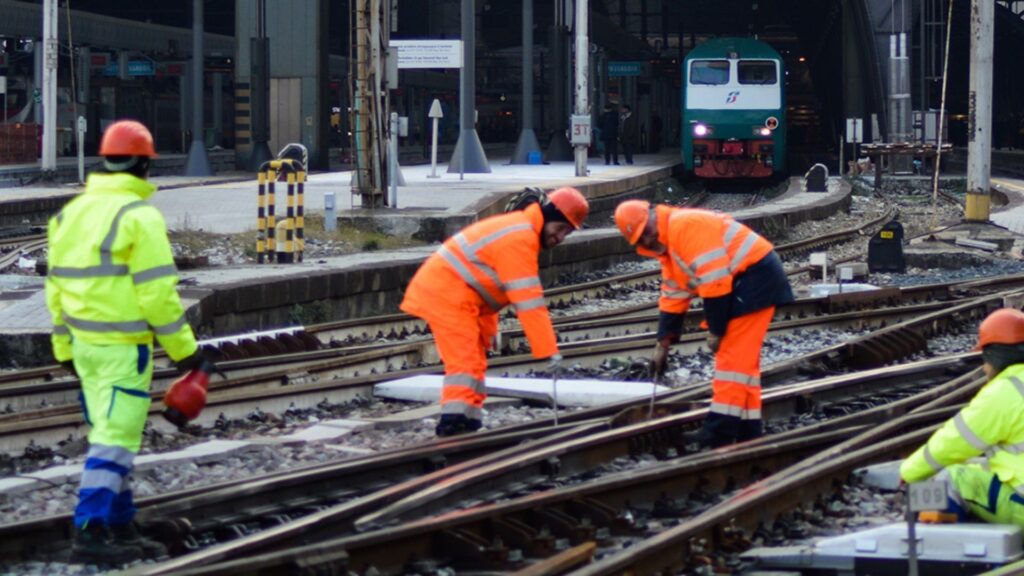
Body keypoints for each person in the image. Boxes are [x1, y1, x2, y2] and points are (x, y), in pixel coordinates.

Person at [45, 120, 213, 565]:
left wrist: (63, 349)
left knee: (110, 433)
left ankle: (120, 523)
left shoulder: (67, 215)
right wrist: (186, 352)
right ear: (142, 164)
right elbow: (157, 294)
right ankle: (90, 527)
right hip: (123, 350)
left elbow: (56, 291)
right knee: (116, 440)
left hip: (83, 350)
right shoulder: (139, 218)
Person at [401, 187, 589, 437]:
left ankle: (467, 421)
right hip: (447, 293)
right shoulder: (521, 238)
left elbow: (488, 288)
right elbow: (529, 301)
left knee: (474, 359)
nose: (561, 237)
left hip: (457, 294)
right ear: (548, 216)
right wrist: (548, 350)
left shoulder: (522, 231)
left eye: (567, 232)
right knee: (464, 362)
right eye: (561, 228)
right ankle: (453, 424)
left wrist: (487, 334)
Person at [613, 200, 794, 447]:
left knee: (731, 363)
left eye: (646, 231)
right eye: (641, 239)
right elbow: (674, 294)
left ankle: (718, 433)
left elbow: (715, 281)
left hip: (754, 278)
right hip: (748, 280)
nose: (647, 239)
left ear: (654, 216)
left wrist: (716, 330)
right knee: (744, 367)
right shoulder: (670, 249)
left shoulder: (684, 227)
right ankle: (747, 430)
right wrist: (662, 343)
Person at [900, 308, 1024, 526]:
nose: (984, 369)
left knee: (952, 477)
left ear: (994, 356)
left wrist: (909, 473)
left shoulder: (1006, 391)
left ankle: (953, 554)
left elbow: (952, 443)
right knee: (981, 468)